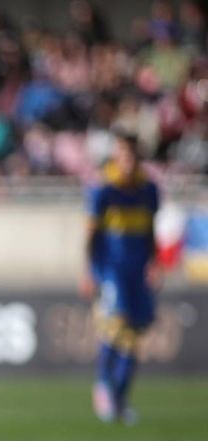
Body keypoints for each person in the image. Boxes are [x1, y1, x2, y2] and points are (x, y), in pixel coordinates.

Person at [82, 133, 161, 424]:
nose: (127, 162)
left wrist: (154, 263)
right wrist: (89, 271)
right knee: (119, 329)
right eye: (122, 155)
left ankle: (119, 398)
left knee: (133, 336)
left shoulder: (148, 189)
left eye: (131, 155)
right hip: (111, 269)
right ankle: (105, 387)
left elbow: (152, 228)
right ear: (116, 157)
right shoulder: (103, 188)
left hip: (137, 269)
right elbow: (90, 235)